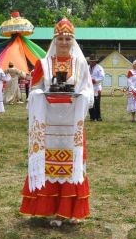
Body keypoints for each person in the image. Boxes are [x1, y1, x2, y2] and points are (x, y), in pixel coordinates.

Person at [19, 17, 93, 226]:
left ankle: (67, 212)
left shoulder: (80, 64)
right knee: (49, 162)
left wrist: (83, 96)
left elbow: (88, 89)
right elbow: (34, 90)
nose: (64, 43)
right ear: (54, 40)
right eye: (60, 38)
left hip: (71, 122)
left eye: (68, 39)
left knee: (70, 163)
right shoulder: (43, 64)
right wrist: (43, 93)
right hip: (49, 123)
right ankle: (48, 209)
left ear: (73, 41)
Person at [89, 57, 105, 121]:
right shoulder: (87, 67)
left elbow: (102, 77)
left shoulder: (99, 68)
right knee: (90, 102)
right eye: (90, 61)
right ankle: (92, 117)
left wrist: (95, 80)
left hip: (96, 87)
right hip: (89, 87)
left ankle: (98, 117)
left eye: (93, 61)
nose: (91, 62)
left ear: (95, 61)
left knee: (96, 103)